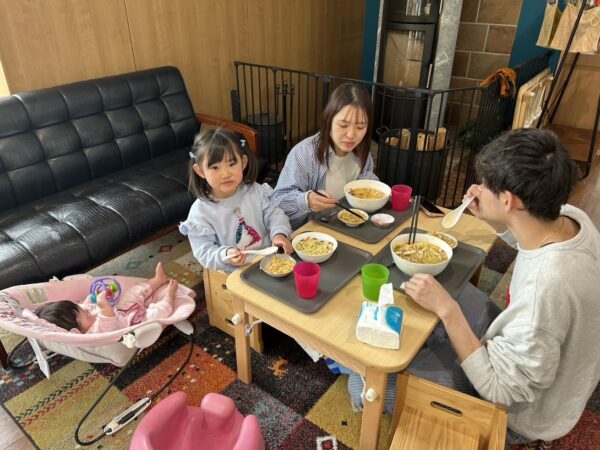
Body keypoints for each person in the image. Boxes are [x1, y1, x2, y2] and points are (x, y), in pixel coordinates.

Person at [347, 128, 600, 446]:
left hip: (519, 410)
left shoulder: (546, 287)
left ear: (508, 200)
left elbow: (500, 389)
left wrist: (448, 310)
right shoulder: (570, 217)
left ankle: (430, 352)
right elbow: (530, 244)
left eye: (485, 185)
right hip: (524, 345)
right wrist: (493, 219)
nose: (477, 189)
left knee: (363, 386)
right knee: (436, 289)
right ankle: (433, 348)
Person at [179, 128, 292, 272]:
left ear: (243, 163)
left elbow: (275, 214)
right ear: (200, 171)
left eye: (232, 164)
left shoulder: (255, 191)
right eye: (215, 167)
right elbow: (204, 252)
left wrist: (279, 233)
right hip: (235, 272)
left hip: (271, 260)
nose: (226, 174)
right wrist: (225, 254)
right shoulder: (200, 212)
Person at [273, 82, 379, 229]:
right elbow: (278, 201)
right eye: (343, 125)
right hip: (313, 235)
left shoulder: (362, 153)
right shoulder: (304, 153)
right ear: (329, 120)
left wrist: (384, 195)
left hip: (350, 228)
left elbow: (367, 181)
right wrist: (307, 201)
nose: (351, 135)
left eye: (360, 127)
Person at [35, 262, 179, 333]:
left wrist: (92, 297)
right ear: (76, 331)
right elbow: (108, 319)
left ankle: (158, 280)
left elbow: (86, 305)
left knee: (133, 292)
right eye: (84, 314)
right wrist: (103, 305)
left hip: (122, 310)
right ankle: (169, 297)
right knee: (157, 313)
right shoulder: (94, 332)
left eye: (81, 309)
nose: (87, 311)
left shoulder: (81, 314)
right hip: (133, 323)